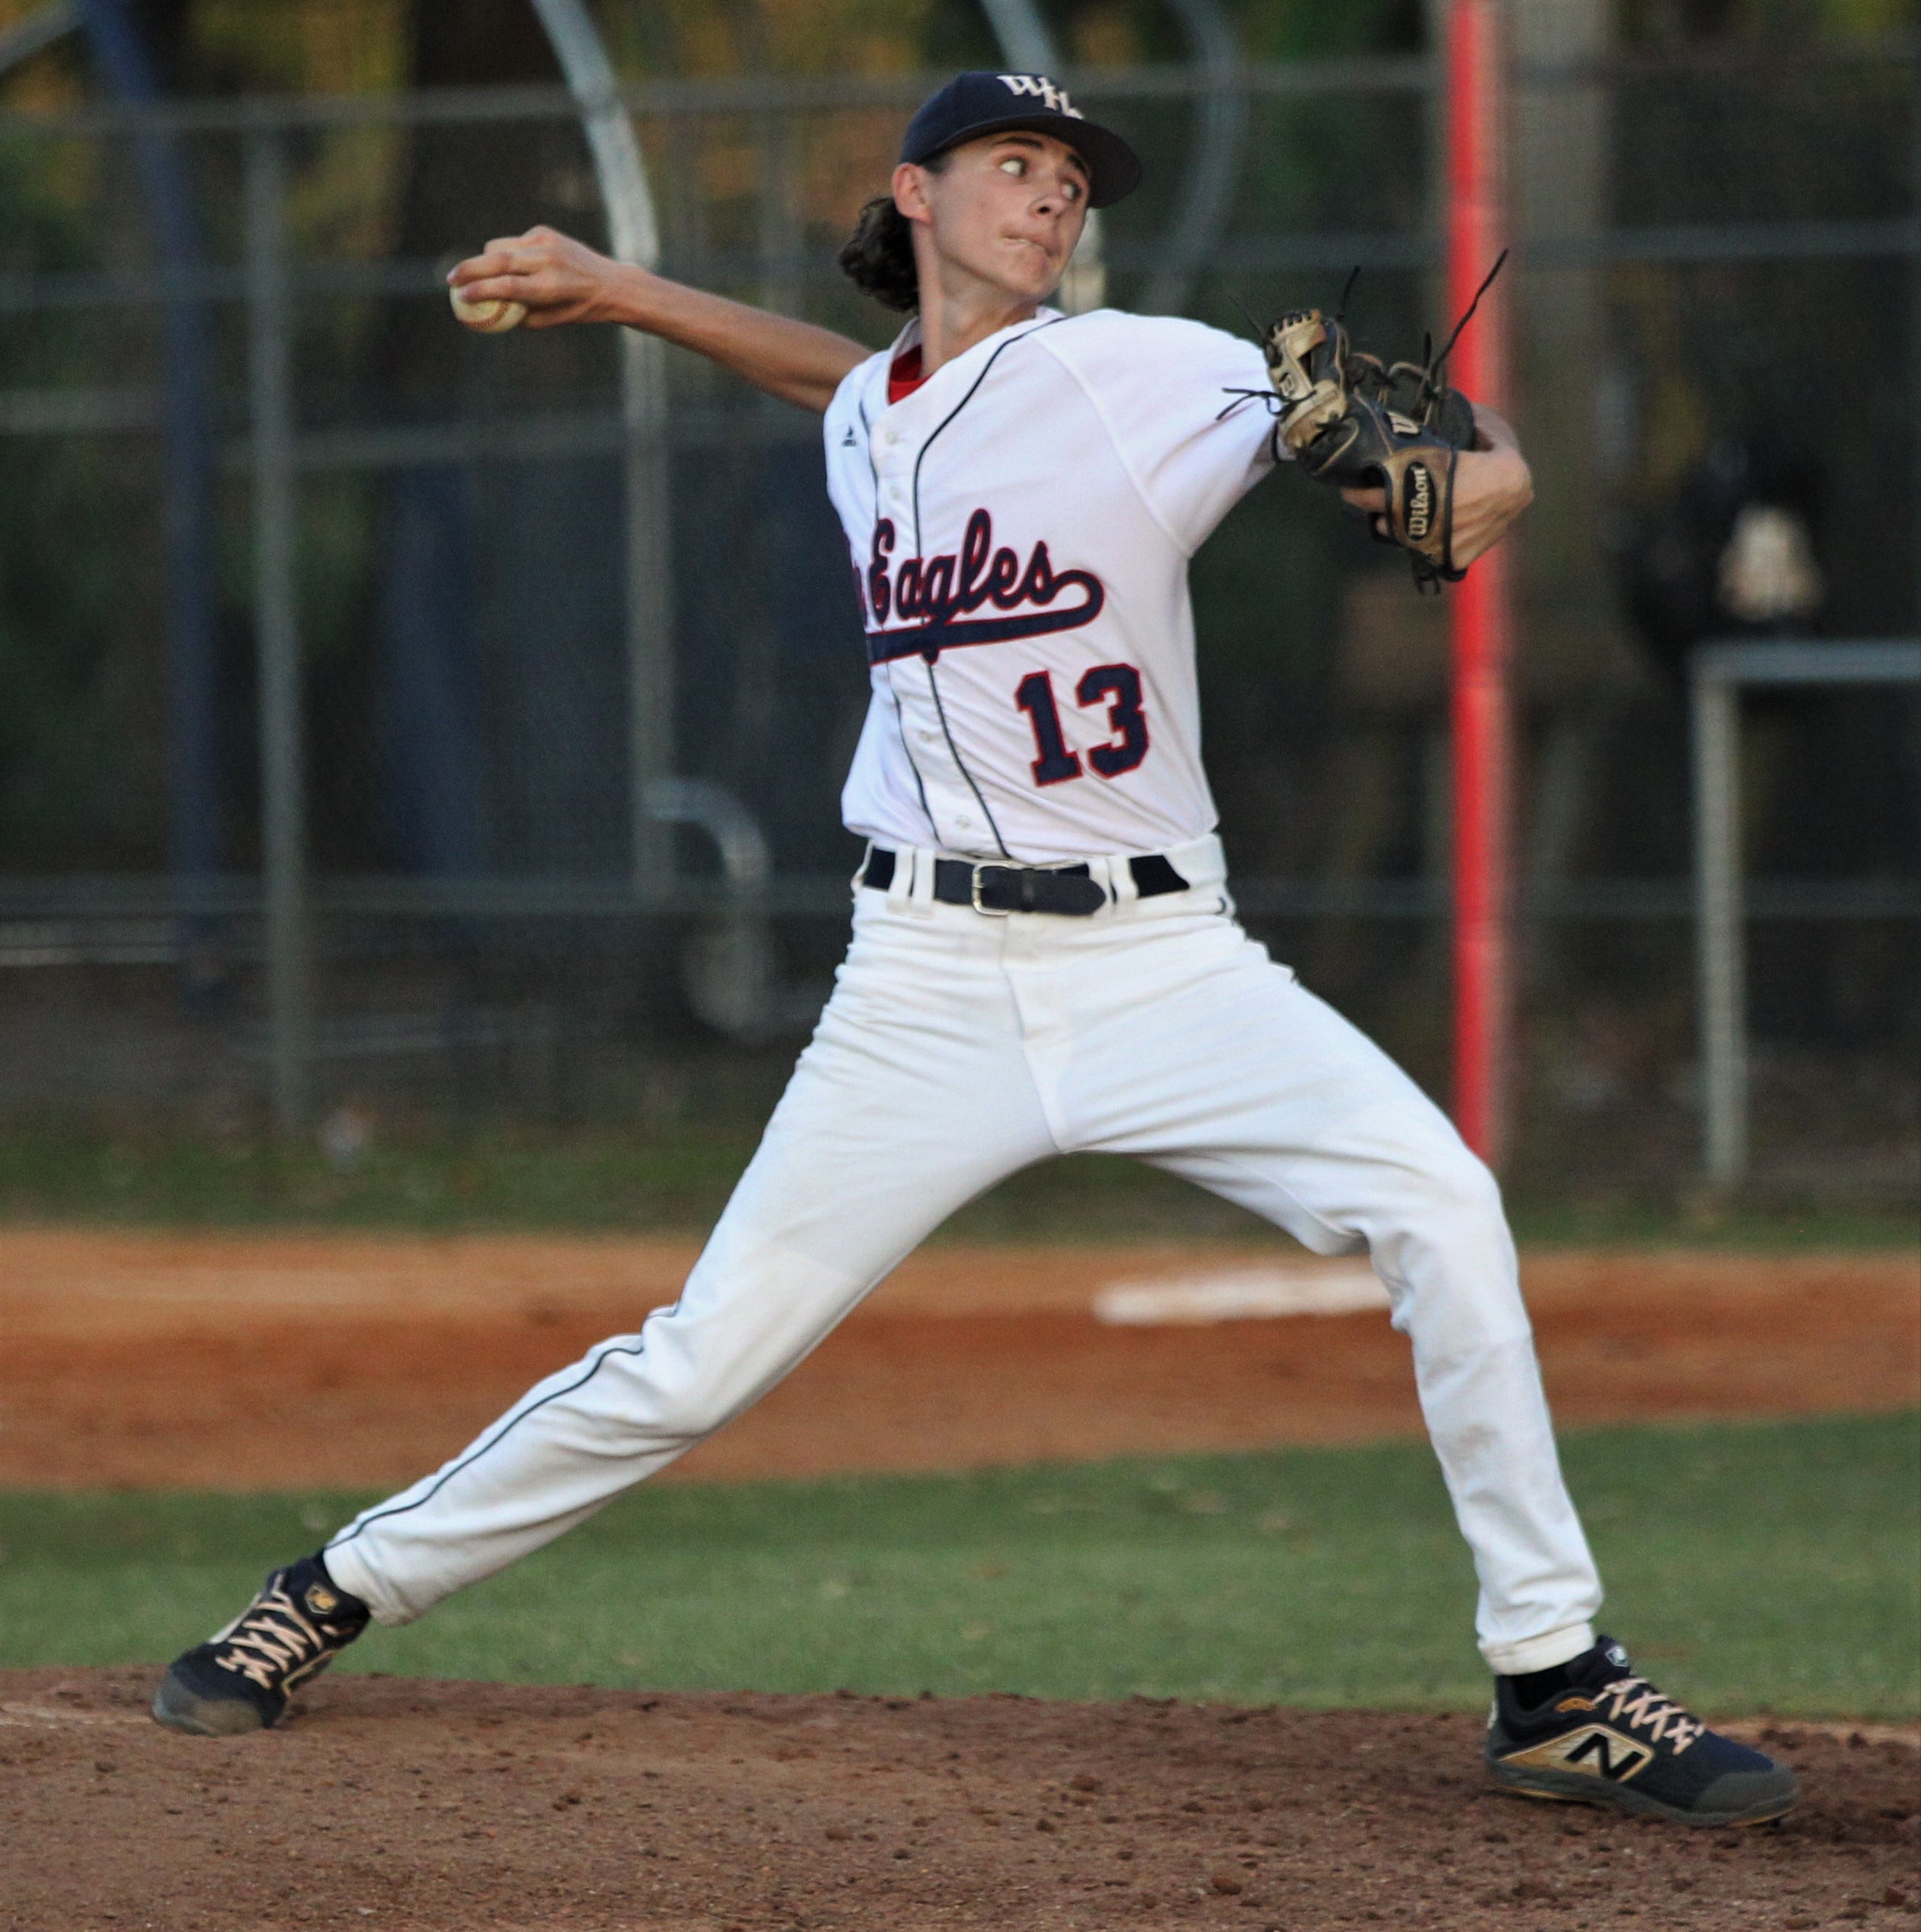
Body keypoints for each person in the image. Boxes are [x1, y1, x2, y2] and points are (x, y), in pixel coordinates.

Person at [154, 71, 1793, 1829]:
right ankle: (330, 1591)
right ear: (914, 194)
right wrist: (618, 286)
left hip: (1171, 967)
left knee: (1444, 1206)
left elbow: (1489, 480)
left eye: (1072, 177)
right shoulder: (876, 408)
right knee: (701, 1354)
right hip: (922, 985)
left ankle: (1553, 1676)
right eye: (1014, 165)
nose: (1051, 197)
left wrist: (1451, 482)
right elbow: (844, 383)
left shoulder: (1145, 367)